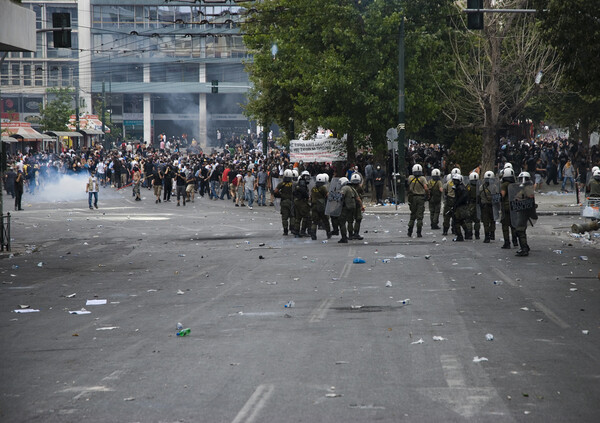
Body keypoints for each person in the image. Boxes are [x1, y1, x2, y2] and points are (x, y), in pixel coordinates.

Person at [407, 164, 429, 238]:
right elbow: (426, 188)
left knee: (412, 215)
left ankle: (409, 231)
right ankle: (418, 232)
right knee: (419, 216)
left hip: (412, 198)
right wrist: (427, 194)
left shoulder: (410, 178)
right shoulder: (422, 178)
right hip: (420, 198)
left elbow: (408, 186)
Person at [309, 173, 331, 240]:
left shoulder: (313, 188)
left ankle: (313, 234)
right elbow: (328, 195)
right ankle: (328, 233)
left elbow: (310, 197)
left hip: (314, 206)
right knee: (325, 220)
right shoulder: (323, 188)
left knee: (315, 221)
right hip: (322, 206)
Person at [338, 177, 360, 243]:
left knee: (342, 222)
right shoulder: (351, 188)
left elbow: (341, 196)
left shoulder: (344, 188)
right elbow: (357, 198)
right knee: (350, 221)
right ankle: (351, 234)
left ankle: (344, 237)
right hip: (352, 207)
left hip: (346, 207)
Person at [274, 169, 294, 235]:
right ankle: (292, 228)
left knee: (284, 217)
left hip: (284, 201)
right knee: (292, 216)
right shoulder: (293, 184)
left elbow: (275, 191)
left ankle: (285, 230)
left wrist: (280, 195)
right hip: (292, 201)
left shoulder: (281, 184)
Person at [451, 173, 471, 241]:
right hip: (461, 206)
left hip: (460, 207)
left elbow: (462, 197)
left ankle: (459, 236)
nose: (454, 182)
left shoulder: (460, 188)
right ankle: (467, 233)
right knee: (461, 220)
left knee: (456, 221)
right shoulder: (461, 187)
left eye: (456, 181)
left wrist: (456, 204)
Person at [500, 167, 516, 249]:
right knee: (513, 224)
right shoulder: (514, 184)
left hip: (506, 206)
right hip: (514, 206)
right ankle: (515, 241)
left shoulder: (504, 184)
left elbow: (502, 195)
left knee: (505, 225)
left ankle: (507, 242)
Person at [479, 171, 497, 243]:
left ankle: (487, 237)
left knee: (486, 222)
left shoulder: (481, 187)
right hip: (492, 206)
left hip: (484, 206)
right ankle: (492, 234)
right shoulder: (494, 187)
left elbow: (479, 196)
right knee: (493, 220)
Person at [292, 171, 311, 237]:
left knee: (298, 217)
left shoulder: (299, 182)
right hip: (301, 201)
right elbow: (303, 192)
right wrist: (307, 196)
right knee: (306, 216)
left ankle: (296, 231)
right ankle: (303, 231)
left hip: (297, 200)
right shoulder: (302, 183)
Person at [349, 173, 365, 240]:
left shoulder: (349, 187)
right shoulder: (359, 187)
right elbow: (361, 196)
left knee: (350, 220)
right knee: (358, 219)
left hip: (350, 205)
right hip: (357, 205)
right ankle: (356, 233)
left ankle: (350, 234)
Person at [466, 172, 480, 239]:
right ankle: (477, 234)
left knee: (469, 219)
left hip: (470, 204)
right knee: (477, 220)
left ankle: (469, 234)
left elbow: (466, 195)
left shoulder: (468, 186)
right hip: (477, 204)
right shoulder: (479, 186)